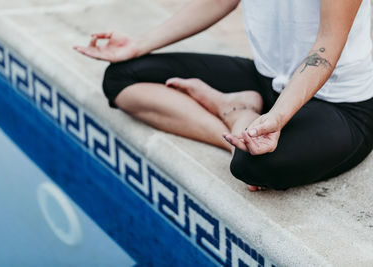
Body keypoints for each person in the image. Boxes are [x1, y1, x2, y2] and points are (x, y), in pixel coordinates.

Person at [74, 0, 373, 191]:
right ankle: (239, 125)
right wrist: (138, 45)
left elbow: (327, 44)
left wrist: (277, 116)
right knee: (121, 77)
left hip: (340, 104)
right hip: (266, 80)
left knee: (252, 166)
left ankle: (237, 111)